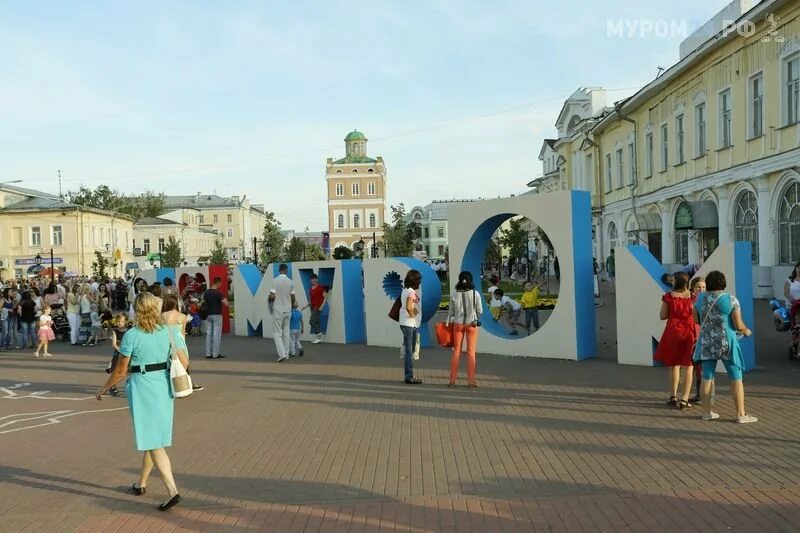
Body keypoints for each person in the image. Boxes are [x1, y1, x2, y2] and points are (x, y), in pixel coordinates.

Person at [96, 292, 185, 512]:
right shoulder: (167, 331)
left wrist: (104, 388)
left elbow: (120, 371)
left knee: (152, 441)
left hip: (142, 386)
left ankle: (172, 490)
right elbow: (183, 360)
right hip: (164, 386)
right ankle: (141, 483)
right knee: (154, 438)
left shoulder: (131, 335)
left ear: (137, 310)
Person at [693, 270, 757, 423]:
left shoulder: (700, 298)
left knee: (707, 376)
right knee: (736, 376)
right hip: (727, 342)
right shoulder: (731, 300)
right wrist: (747, 331)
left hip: (707, 342)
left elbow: (696, 319)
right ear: (723, 283)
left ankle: (707, 412)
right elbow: (738, 324)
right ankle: (740, 414)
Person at [654, 272, 696, 410]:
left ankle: (673, 396)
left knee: (674, 365)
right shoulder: (693, 297)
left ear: (676, 282)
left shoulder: (669, 297)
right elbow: (696, 316)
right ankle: (684, 398)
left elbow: (662, 315)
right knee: (688, 366)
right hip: (689, 332)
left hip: (673, 332)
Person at [447, 271, 483, 388]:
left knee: (456, 351)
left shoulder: (454, 293)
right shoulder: (475, 293)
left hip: (458, 324)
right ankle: (471, 380)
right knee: (471, 351)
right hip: (471, 323)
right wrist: (475, 317)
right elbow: (480, 311)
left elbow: (451, 312)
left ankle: (452, 380)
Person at [162, 294, 203, 392]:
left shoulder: (161, 316)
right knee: (183, 363)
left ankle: (167, 384)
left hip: (165, 339)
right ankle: (183, 383)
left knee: (166, 362)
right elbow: (183, 332)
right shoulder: (182, 316)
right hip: (178, 340)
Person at [399, 269, 422, 384]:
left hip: (404, 322)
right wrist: (414, 317)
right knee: (410, 351)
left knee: (409, 349)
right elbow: (409, 307)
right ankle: (409, 376)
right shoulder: (411, 292)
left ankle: (409, 375)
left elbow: (409, 305)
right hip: (409, 324)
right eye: (419, 280)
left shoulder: (405, 290)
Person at [269, 264, 296, 362]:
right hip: (288, 309)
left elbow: (272, 296)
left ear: (279, 270)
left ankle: (282, 354)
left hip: (278, 309)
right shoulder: (291, 282)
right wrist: (292, 304)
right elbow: (293, 297)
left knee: (277, 333)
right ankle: (286, 353)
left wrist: (270, 300)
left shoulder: (274, 281)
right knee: (286, 332)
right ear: (286, 270)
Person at [689, 276, 707, 404]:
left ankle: (703, 395)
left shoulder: (708, 300)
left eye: (703, 287)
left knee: (702, 367)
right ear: (693, 288)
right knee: (695, 366)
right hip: (692, 335)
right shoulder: (689, 301)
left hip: (704, 336)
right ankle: (698, 394)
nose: (701, 289)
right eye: (699, 287)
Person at [106, 312, 131, 396]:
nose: (120, 323)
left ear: (126, 322)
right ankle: (112, 387)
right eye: (118, 321)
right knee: (115, 371)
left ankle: (132, 387)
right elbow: (114, 344)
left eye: (122, 321)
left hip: (128, 355)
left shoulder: (129, 331)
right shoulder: (115, 332)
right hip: (118, 354)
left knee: (130, 371)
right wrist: (121, 351)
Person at [203, 277, 227, 359]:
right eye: (220, 283)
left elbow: (203, 302)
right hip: (217, 315)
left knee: (209, 334)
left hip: (208, 315)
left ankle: (208, 353)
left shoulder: (206, 292)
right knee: (216, 334)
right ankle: (215, 354)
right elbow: (226, 303)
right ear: (218, 283)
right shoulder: (218, 293)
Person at [305, 274, 328, 344]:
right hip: (312, 306)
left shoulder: (320, 287)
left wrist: (322, 306)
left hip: (317, 307)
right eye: (312, 279)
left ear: (317, 279)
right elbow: (312, 299)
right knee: (316, 322)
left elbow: (325, 297)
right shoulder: (310, 288)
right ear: (310, 280)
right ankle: (318, 338)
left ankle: (319, 335)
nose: (313, 280)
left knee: (312, 321)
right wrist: (307, 305)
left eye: (315, 278)